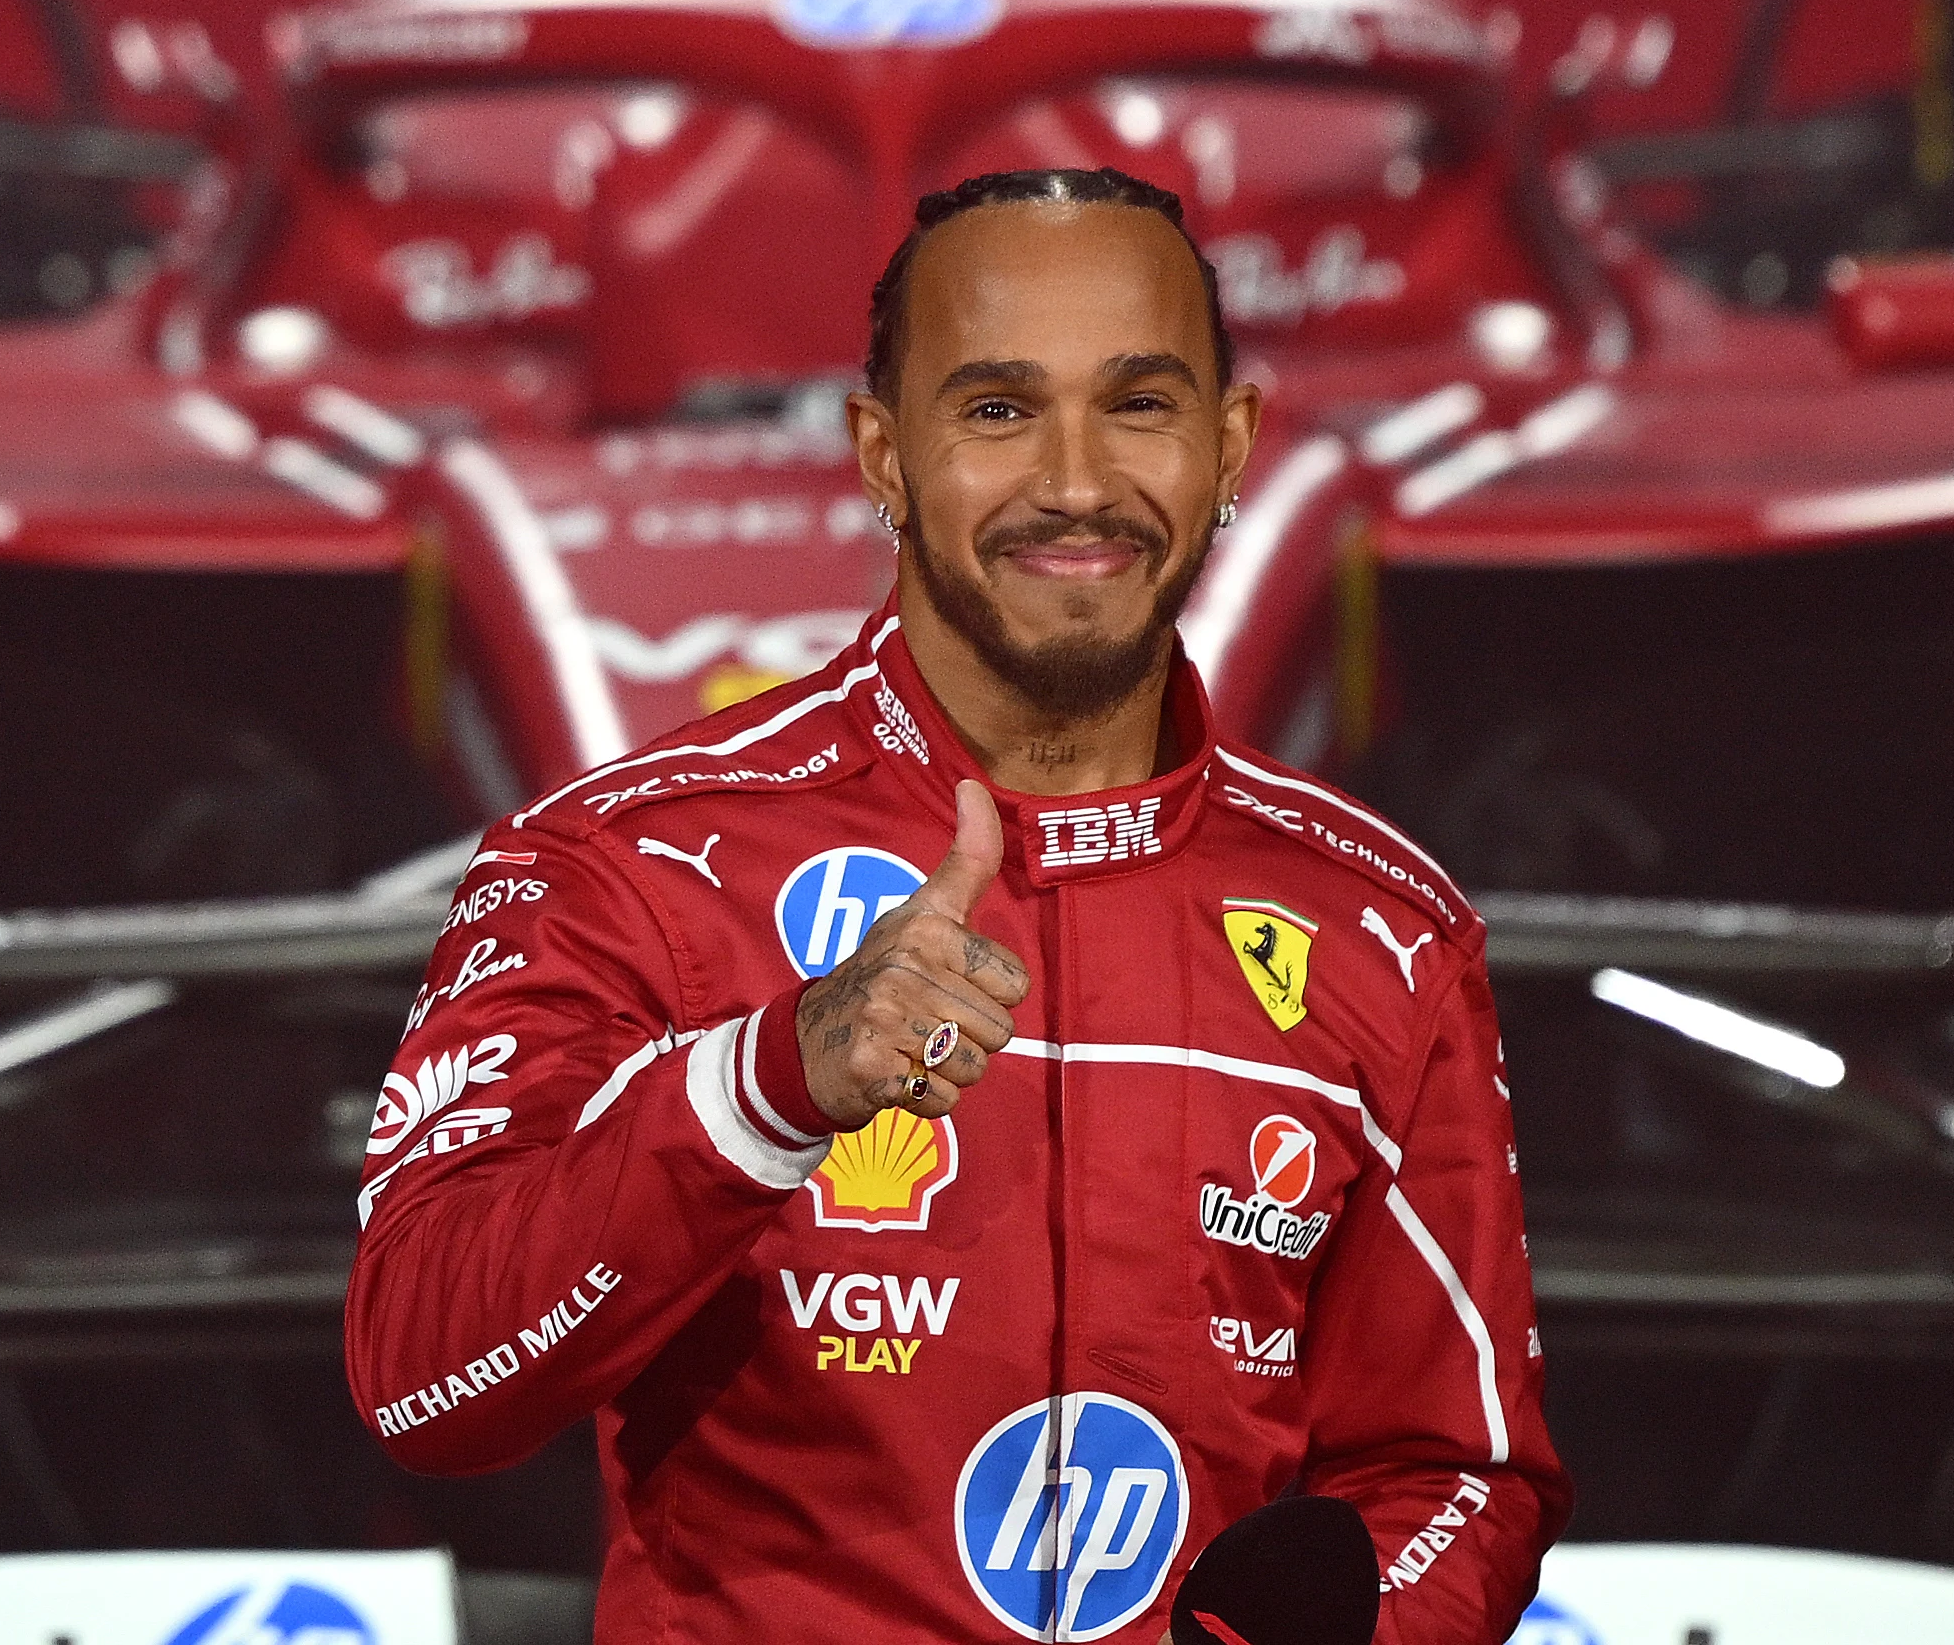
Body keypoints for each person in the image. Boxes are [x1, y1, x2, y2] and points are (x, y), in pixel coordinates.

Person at [346, 167, 1567, 1643]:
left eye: (1139, 404)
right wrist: (768, 1079)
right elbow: (425, 1379)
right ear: (882, 453)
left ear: (1228, 445)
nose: (1071, 480)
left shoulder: (1384, 925)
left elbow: (1458, 1474)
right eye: (995, 409)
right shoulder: (621, 860)